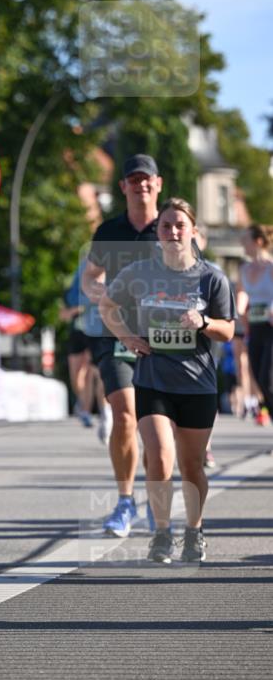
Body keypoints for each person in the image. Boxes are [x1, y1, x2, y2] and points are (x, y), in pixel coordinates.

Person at [99, 198, 235, 563]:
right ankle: (161, 533)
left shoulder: (211, 278)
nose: (173, 232)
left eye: (179, 225)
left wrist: (204, 323)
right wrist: (127, 337)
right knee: (159, 457)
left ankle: (194, 530)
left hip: (197, 384)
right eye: (165, 226)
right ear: (157, 233)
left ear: (193, 232)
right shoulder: (141, 273)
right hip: (153, 379)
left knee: (191, 466)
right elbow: (107, 305)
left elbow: (228, 331)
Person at [81, 154, 164, 535]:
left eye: (146, 180)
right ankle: (125, 500)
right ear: (123, 187)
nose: (140, 186)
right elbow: (89, 278)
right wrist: (101, 293)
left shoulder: (171, 229)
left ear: (158, 184)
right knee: (126, 414)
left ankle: (154, 500)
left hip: (162, 340)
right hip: (114, 334)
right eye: (133, 180)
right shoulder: (109, 231)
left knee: (154, 425)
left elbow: (195, 276)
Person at [61, 260, 112, 442]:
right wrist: (73, 309)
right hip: (79, 329)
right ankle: (83, 405)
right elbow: (67, 305)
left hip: (101, 332)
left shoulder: (116, 277)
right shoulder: (81, 272)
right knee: (78, 375)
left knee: (99, 374)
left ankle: (105, 414)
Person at [236, 224, 273, 426]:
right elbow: (241, 293)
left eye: (246, 241)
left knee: (268, 379)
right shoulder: (245, 268)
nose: (243, 245)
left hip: (271, 328)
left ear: (258, 241)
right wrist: (240, 312)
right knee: (259, 379)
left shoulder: (271, 267)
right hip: (254, 328)